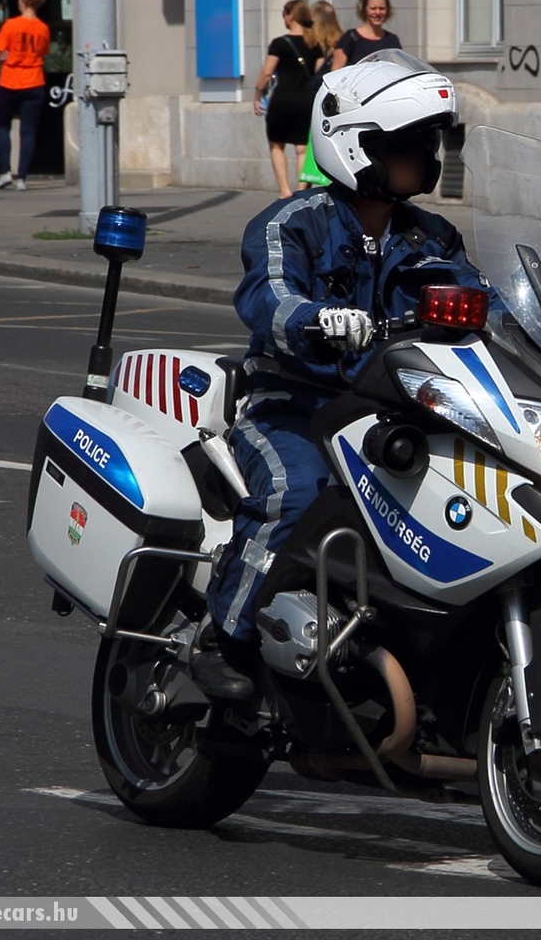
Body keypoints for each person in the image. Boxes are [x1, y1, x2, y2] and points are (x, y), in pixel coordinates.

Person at [194, 52, 496, 698]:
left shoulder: (433, 239)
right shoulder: (291, 223)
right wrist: (315, 319)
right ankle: (229, 638)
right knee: (296, 494)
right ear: (353, 145)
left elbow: (484, 306)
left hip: (399, 416)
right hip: (295, 408)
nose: (422, 154)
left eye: (426, 141)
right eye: (405, 143)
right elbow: (266, 297)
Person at [0, 0, 50, 191]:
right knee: (28, 131)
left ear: (24, 0)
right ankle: (22, 179)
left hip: (10, 81)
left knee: (3, 127)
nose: (18, 2)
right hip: (34, 82)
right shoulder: (43, 28)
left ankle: (6, 172)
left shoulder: (11, 25)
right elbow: (42, 52)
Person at [254, 0, 319, 199]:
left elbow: (267, 72)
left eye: (284, 14)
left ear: (290, 16)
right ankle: (301, 191)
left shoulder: (280, 43)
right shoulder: (314, 44)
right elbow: (318, 74)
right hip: (306, 100)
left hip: (282, 100)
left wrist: (257, 94)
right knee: (302, 148)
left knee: (276, 144)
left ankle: (284, 190)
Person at [297, 0, 344, 188]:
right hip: (331, 103)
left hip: (309, 100)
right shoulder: (341, 44)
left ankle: (300, 191)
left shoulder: (310, 45)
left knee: (306, 150)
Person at [330, 0, 401, 70]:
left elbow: (399, 70)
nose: (377, 12)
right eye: (373, 8)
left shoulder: (392, 40)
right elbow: (336, 72)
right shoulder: (350, 38)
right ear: (364, 9)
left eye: (382, 8)